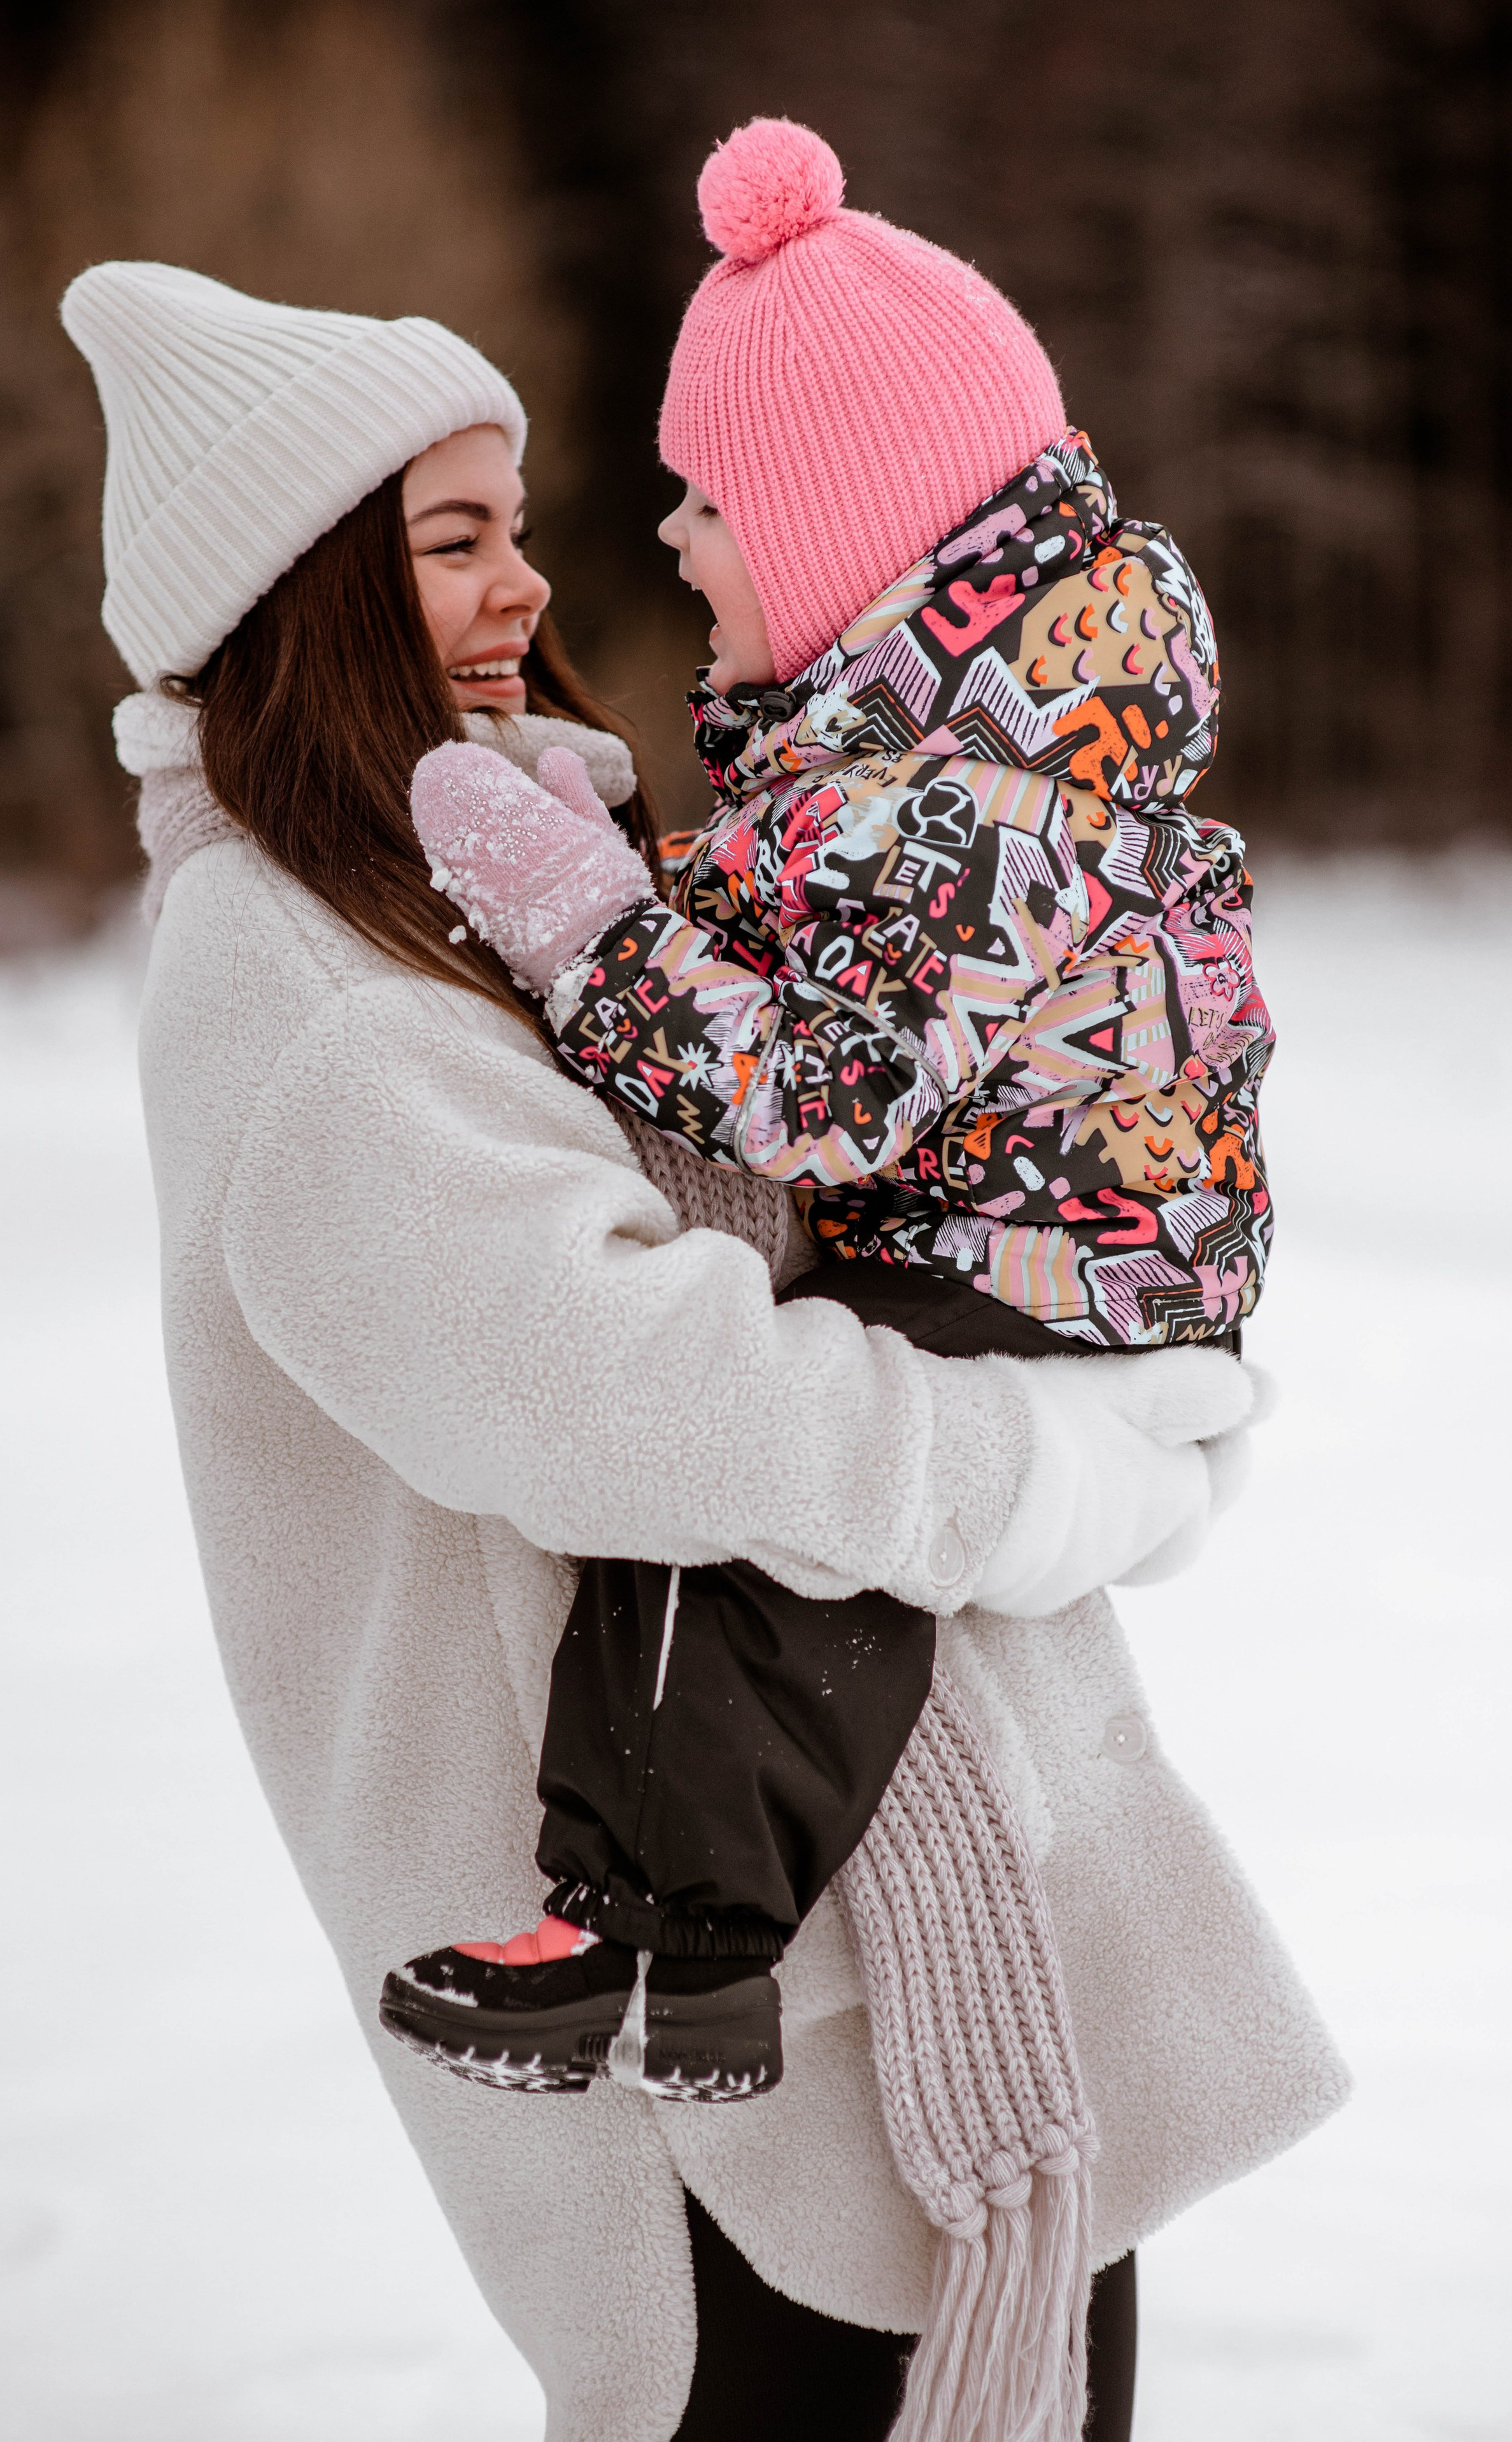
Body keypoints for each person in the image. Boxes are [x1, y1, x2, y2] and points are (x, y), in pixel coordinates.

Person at [64, 255, 1346, 2442]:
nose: (530, 581)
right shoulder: (295, 979)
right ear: (300, 591)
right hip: (731, 2061)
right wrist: (1056, 1470)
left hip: (927, 1957)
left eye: (515, 521)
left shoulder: (493, 870)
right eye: (450, 538)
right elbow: (635, 1390)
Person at [391, 120, 1273, 2136]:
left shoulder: (984, 798)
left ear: (845, 523)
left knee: (758, 1494)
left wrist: (590, 927)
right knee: (754, 1474)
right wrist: (633, 880)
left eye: (712, 499)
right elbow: (813, 963)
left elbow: (814, 1086)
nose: (677, 538)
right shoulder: (926, 761)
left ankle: (659, 1937)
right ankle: (674, 1944)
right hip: (1015, 1230)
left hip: (1061, 1259)